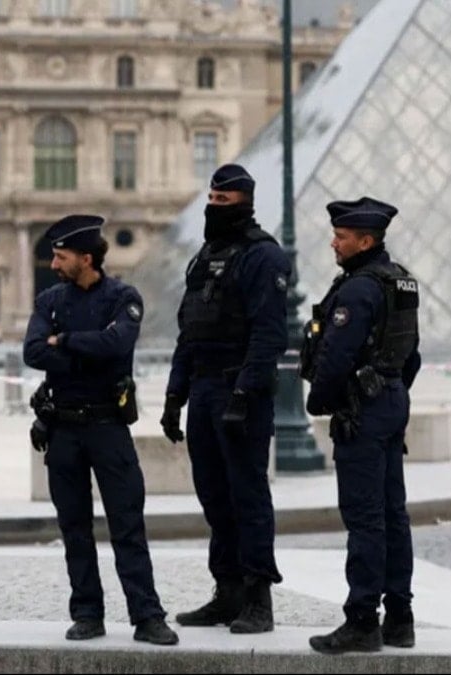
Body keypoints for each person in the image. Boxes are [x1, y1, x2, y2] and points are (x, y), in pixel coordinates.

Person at [23, 214, 177, 646]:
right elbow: (33, 351)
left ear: (86, 258)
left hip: (108, 427)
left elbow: (118, 345)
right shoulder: (50, 300)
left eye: (61, 256)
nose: (53, 264)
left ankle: (147, 616)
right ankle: (87, 613)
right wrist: (86, 349)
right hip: (64, 428)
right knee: (74, 528)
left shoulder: (123, 296)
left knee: (127, 525)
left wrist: (65, 342)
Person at [161, 164, 290, 634]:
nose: (213, 209)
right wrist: (175, 395)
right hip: (203, 388)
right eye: (210, 201)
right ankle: (227, 590)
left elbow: (269, 335)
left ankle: (258, 597)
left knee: (248, 495)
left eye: (223, 203)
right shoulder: (204, 257)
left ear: (244, 204)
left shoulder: (264, 257)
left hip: (240, 390)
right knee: (214, 496)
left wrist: (244, 393)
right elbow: (188, 330)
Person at [299, 197, 421, 655]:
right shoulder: (401, 282)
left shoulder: (357, 289)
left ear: (365, 241)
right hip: (390, 401)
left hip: (362, 411)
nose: (334, 242)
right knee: (394, 514)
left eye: (342, 236)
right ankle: (400, 618)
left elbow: (335, 357)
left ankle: (362, 620)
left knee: (365, 518)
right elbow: (413, 353)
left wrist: (322, 400)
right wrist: (391, 389)